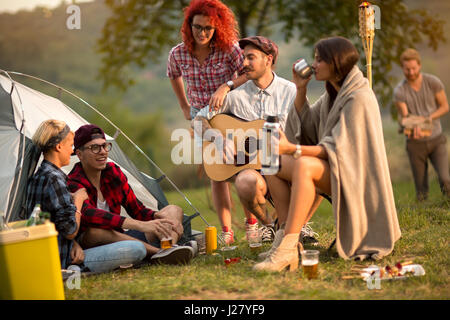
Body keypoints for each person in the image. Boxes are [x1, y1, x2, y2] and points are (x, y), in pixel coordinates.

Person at [254, 36, 401, 272]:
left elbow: (336, 148)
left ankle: (287, 247)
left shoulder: (359, 97)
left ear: (336, 63)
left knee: (303, 165)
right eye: (314, 59)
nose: (314, 65)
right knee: (273, 160)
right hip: (335, 170)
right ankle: (286, 240)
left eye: (319, 60)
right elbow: (308, 128)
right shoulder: (333, 93)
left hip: (357, 179)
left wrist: (292, 149)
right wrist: (300, 90)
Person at [194, 36, 318, 244]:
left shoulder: (291, 91)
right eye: (244, 57)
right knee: (244, 182)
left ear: (268, 60)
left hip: (285, 166)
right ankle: (271, 226)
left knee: (315, 167)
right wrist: (216, 138)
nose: (244, 64)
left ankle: (298, 225)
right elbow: (198, 120)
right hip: (257, 172)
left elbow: (308, 131)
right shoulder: (234, 97)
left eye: (250, 58)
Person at [167, 0, 250, 245]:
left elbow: (248, 73)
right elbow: (173, 75)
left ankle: (252, 224)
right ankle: (227, 232)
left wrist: (227, 86)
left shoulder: (229, 49)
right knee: (217, 175)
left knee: (239, 167)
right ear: (188, 26)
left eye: (208, 28)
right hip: (200, 117)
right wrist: (184, 106)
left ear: (217, 28)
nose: (202, 33)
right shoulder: (178, 53)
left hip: (230, 113)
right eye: (198, 27)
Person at [27, 120, 147, 273]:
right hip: (63, 260)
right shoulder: (55, 179)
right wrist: (78, 199)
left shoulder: (43, 175)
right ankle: (76, 270)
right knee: (137, 249)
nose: (72, 151)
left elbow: (55, 223)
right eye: (70, 146)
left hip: (52, 253)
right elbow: (70, 231)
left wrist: (75, 244)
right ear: (58, 147)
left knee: (138, 243)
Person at [67, 124, 194, 265]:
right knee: (96, 231)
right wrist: (141, 225)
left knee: (173, 210)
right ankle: (158, 253)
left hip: (121, 237)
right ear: (79, 154)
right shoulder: (73, 181)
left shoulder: (112, 172)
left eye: (105, 146)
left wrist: (157, 218)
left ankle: (168, 248)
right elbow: (90, 215)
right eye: (95, 148)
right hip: (95, 243)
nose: (103, 152)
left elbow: (137, 210)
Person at [394, 48, 450, 201]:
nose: (411, 72)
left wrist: (428, 119)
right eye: (407, 69)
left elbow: (445, 106)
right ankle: (423, 217)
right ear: (402, 68)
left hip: (436, 139)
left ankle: (446, 211)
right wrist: (412, 127)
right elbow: (405, 116)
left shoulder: (433, 82)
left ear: (419, 65)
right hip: (415, 143)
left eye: (413, 68)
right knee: (421, 190)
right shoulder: (399, 91)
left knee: (446, 180)